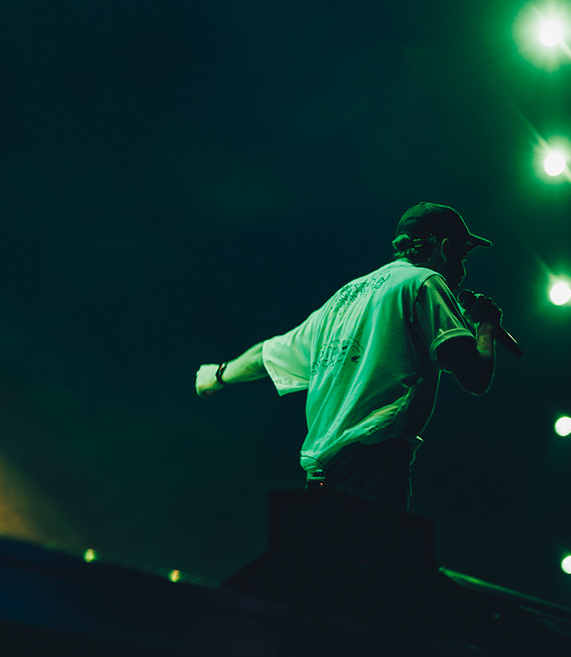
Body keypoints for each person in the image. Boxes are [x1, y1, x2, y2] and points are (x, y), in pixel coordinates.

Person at [194, 203, 505, 510]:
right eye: (462, 256)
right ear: (445, 248)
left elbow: (267, 354)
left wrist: (219, 374)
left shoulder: (341, 302)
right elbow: (475, 377)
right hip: (374, 472)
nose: (463, 271)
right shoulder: (426, 282)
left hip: (320, 481)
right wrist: (486, 327)